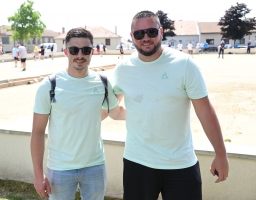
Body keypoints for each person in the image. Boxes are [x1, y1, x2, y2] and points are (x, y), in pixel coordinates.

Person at [112, 10, 229, 200]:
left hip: (180, 164)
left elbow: (205, 110)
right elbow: (110, 107)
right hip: (137, 163)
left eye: (151, 31)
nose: (146, 38)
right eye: (139, 34)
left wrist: (221, 154)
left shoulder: (184, 64)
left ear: (161, 31)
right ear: (132, 37)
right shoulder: (123, 70)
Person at [30, 27, 125, 200]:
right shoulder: (50, 85)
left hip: (95, 166)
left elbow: (116, 112)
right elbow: (37, 132)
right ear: (66, 52)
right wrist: (38, 174)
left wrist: (145, 111)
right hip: (60, 168)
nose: (80, 55)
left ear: (92, 52)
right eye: (74, 50)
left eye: (85, 50)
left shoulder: (102, 83)